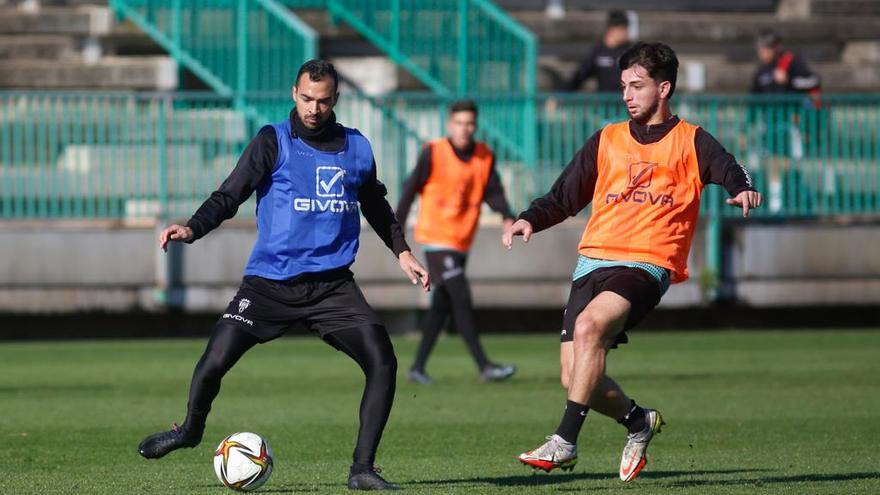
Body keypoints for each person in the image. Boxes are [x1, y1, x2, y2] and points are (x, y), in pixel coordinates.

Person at [137, 59, 430, 491]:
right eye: (307, 98)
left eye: (323, 100)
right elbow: (229, 194)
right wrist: (193, 227)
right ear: (294, 93)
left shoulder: (357, 147)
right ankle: (189, 432)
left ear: (335, 100)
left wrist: (402, 252)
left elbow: (376, 205)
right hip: (269, 285)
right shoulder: (272, 140)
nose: (314, 108)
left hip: (332, 287)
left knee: (383, 361)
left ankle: (362, 469)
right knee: (212, 364)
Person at [505, 42, 762, 482]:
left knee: (589, 329)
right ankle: (638, 422)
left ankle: (564, 440)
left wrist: (740, 187)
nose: (627, 94)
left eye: (637, 86)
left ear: (664, 88)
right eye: (624, 85)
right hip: (593, 260)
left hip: (647, 262)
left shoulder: (691, 140)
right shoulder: (606, 139)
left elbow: (727, 167)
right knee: (576, 379)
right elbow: (564, 197)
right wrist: (529, 218)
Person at [396, 100, 517, 384]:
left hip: (462, 240)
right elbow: (410, 188)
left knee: (441, 306)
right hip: (436, 239)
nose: (465, 129)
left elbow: (493, 191)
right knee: (461, 297)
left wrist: (507, 216)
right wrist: (396, 231)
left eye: (470, 124)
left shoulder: (484, 156)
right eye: (460, 123)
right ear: (450, 125)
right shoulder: (433, 152)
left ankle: (417, 368)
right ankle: (485, 366)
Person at [566, 10, 633, 92]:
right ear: (612, 29)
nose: (627, 33)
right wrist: (559, 96)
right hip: (606, 103)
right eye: (623, 29)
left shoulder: (629, 52)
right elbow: (579, 77)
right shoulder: (598, 52)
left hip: (625, 102)